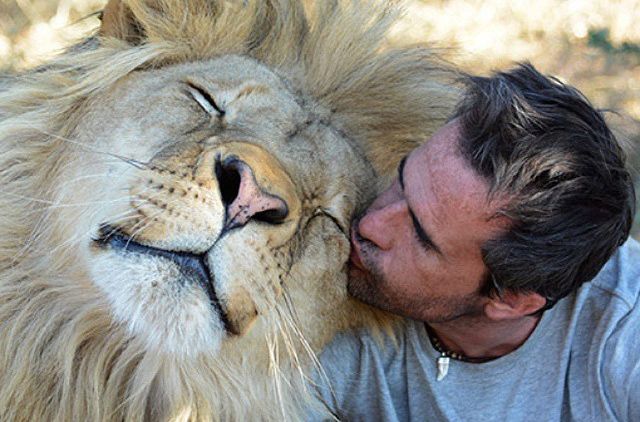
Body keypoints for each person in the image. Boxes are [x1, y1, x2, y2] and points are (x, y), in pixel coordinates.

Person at [313, 63, 639, 421]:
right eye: (402, 180)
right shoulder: (326, 291)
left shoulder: (623, 337)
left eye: (421, 236)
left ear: (511, 299)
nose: (370, 224)